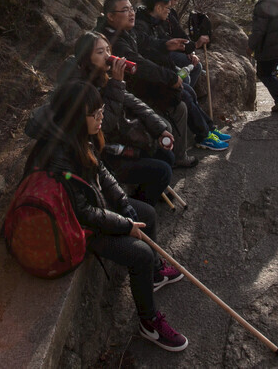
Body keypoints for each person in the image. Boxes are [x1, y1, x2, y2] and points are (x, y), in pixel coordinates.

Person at [24, 80, 187, 352]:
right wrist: (124, 225)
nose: (102, 119)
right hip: (72, 227)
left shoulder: (75, 135)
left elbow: (101, 173)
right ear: (77, 115)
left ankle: (155, 274)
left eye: (102, 112)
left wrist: (125, 206)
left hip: (89, 207)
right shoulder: (58, 154)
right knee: (141, 254)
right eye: (96, 114)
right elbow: (82, 212)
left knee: (145, 213)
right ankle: (149, 322)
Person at [57, 31, 176, 205]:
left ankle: (149, 193)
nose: (107, 56)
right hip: (107, 155)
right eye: (100, 52)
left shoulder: (102, 77)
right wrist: (117, 83)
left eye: (108, 50)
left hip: (122, 139)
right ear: (85, 57)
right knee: (163, 169)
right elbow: (104, 124)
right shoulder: (80, 88)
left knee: (166, 154)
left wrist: (160, 128)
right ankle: (138, 208)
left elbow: (136, 104)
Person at [96, 0, 197, 168]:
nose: (131, 13)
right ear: (111, 16)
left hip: (134, 90)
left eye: (132, 8)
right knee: (173, 112)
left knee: (181, 102)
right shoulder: (111, 41)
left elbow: (146, 41)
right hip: (124, 99)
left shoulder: (126, 31)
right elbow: (139, 64)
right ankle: (166, 159)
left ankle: (177, 155)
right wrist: (169, 77)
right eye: (125, 10)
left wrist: (166, 44)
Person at [134, 0, 230, 152]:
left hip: (160, 72)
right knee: (184, 91)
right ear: (157, 8)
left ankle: (208, 128)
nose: (169, 11)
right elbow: (147, 52)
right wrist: (171, 74)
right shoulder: (142, 25)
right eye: (167, 8)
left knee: (189, 91)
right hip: (149, 79)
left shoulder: (155, 23)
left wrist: (187, 51)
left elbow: (167, 43)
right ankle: (203, 135)